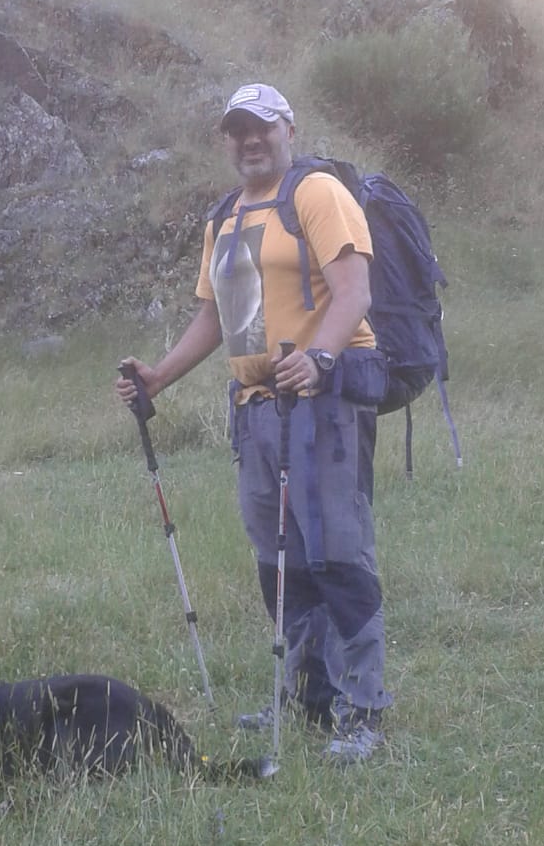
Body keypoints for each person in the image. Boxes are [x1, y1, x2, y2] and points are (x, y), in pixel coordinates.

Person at [116, 82, 391, 761]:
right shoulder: (226, 218)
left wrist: (319, 359)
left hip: (324, 404)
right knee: (280, 563)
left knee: (337, 554)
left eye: (262, 127)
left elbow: (354, 290)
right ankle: (307, 694)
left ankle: (363, 709)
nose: (250, 140)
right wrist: (159, 377)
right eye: (238, 130)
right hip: (257, 411)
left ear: (288, 130)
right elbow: (216, 316)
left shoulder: (318, 193)